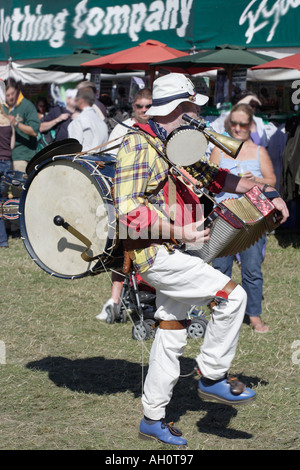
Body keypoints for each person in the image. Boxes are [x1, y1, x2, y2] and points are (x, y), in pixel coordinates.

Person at [113, 73, 289, 447]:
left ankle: (153, 417)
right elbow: (126, 209)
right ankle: (211, 374)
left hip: (174, 250)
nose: (198, 114)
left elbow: (215, 178)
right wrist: (180, 232)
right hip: (156, 254)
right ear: (177, 108)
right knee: (232, 296)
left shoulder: (172, 142)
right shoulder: (138, 144)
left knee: (171, 333)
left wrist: (268, 191)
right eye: (193, 107)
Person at [210, 103, 276, 333]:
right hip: (223, 216)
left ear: (251, 125)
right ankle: (220, 312)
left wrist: (255, 181)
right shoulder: (219, 149)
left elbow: (272, 181)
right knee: (219, 268)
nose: (237, 128)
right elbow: (208, 179)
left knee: (252, 268)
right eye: (233, 124)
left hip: (252, 218)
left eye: (243, 124)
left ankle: (254, 315)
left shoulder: (259, 151)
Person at [96, 88, 152, 321]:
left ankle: (152, 299)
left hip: (154, 199)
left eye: (148, 106)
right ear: (133, 106)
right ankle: (114, 301)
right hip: (126, 198)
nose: (144, 110)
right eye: (140, 106)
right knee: (123, 250)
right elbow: (108, 160)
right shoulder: (122, 128)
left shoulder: (159, 127)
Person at [4, 78, 40, 173]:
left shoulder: (27, 105)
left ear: (18, 90)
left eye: (13, 93)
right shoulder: (2, 107)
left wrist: (16, 123)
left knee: (18, 186)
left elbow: (34, 131)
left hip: (22, 155)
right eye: (7, 95)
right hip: (4, 157)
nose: (11, 97)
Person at [0, 95, 15, 247]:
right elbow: (11, 145)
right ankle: (3, 238)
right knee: (3, 202)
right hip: (7, 163)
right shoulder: (9, 121)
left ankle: (3, 240)